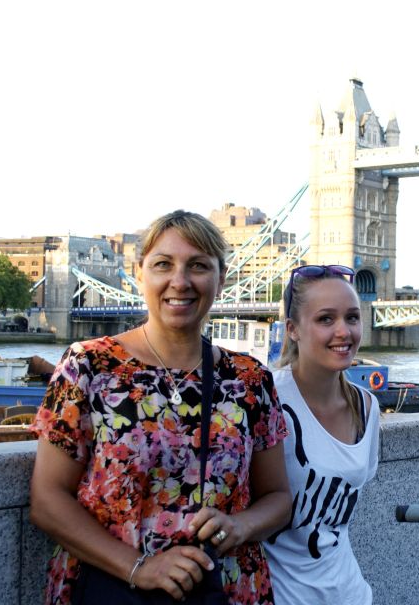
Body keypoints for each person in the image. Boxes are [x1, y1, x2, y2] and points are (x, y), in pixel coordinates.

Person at [29, 210, 291, 604]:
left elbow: (279, 499)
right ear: (140, 274)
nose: (180, 281)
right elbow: (47, 501)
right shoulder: (88, 366)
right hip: (109, 588)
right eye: (163, 265)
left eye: (199, 266)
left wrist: (239, 526)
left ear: (221, 280)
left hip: (222, 590)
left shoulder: (250, 379)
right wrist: (140, 567)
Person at [263, 265, 379, 605]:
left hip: (352, 594)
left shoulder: (367, 408)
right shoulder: (266, 399)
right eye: (326, 319)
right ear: (293, 329)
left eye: (352, 318)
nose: (344, 331)